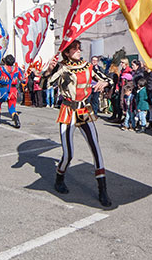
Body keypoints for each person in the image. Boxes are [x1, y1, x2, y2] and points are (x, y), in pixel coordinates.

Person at [43, 40, 113, 207]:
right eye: (74, 48)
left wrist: (106, 82)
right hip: (68, 111)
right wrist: (48, 70)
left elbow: (107, 78)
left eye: (78, 47)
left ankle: (102, 189)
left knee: (96, 149)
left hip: (84, 110)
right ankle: (59, 178)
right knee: (68, 154)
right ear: (66, 52)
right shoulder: (61, 67)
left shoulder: (88, 66)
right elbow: (44, 85)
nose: (78, 50)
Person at [0, 54, 25, 128]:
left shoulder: (1, 69)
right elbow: (23, 80)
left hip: (3, 90)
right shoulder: (17, 69)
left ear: (5, 61)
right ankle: (17, 121)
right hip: (13, 91)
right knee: (12, 109)